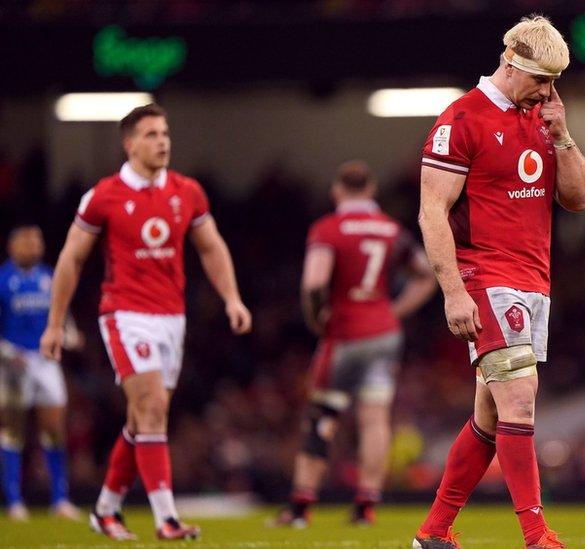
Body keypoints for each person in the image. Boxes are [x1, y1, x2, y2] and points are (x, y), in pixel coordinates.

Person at [411, 15, 585, 549]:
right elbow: (431, 213)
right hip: (487, 279)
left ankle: (434, 533)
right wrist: (452, 290)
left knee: (490, 419)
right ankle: (536, 536)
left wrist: (563, 137)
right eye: (542, 80)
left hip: (534, 280)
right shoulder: (461, 120)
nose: (549, 91)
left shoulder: (543, 117)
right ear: (511, 64)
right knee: (521, 402)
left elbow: (579, 198)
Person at [40, 104, 252, 541]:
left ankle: (104, 510)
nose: (163, 141)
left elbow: (211, 247)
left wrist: (231, 298)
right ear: (129, 143)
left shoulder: (186, 191)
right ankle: (166, 518)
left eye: (165, 133)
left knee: (142, 422)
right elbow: (71, 259)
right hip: (124, 314)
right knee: (152, 409)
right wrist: (55, 323)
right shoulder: (104, 195)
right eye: (152, 134)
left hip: (171, 318)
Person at [272, 161, 436, 528]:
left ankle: (301, 507)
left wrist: (317, 319)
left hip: (344, 333)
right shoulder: (391, 230)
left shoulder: (329, 229)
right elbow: (426, 275)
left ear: (337, 191)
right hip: (383, 333)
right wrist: (394, 311)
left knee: (323, 416)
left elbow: (314, 283)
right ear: (372, 190)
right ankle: (365, 506)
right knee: (375, 419)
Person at [0, 224, 83, 521]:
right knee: (12, 431)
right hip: (12, 364)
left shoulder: (50, 276)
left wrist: (70, 334)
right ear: (12, 246)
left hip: (46, 361)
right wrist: (8, 353)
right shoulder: (3, 280)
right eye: (26, 241)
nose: (33, 246)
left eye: (37, 241)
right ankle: (14, 501)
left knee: (54, 429)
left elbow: (63, 313)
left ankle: (60, 499)